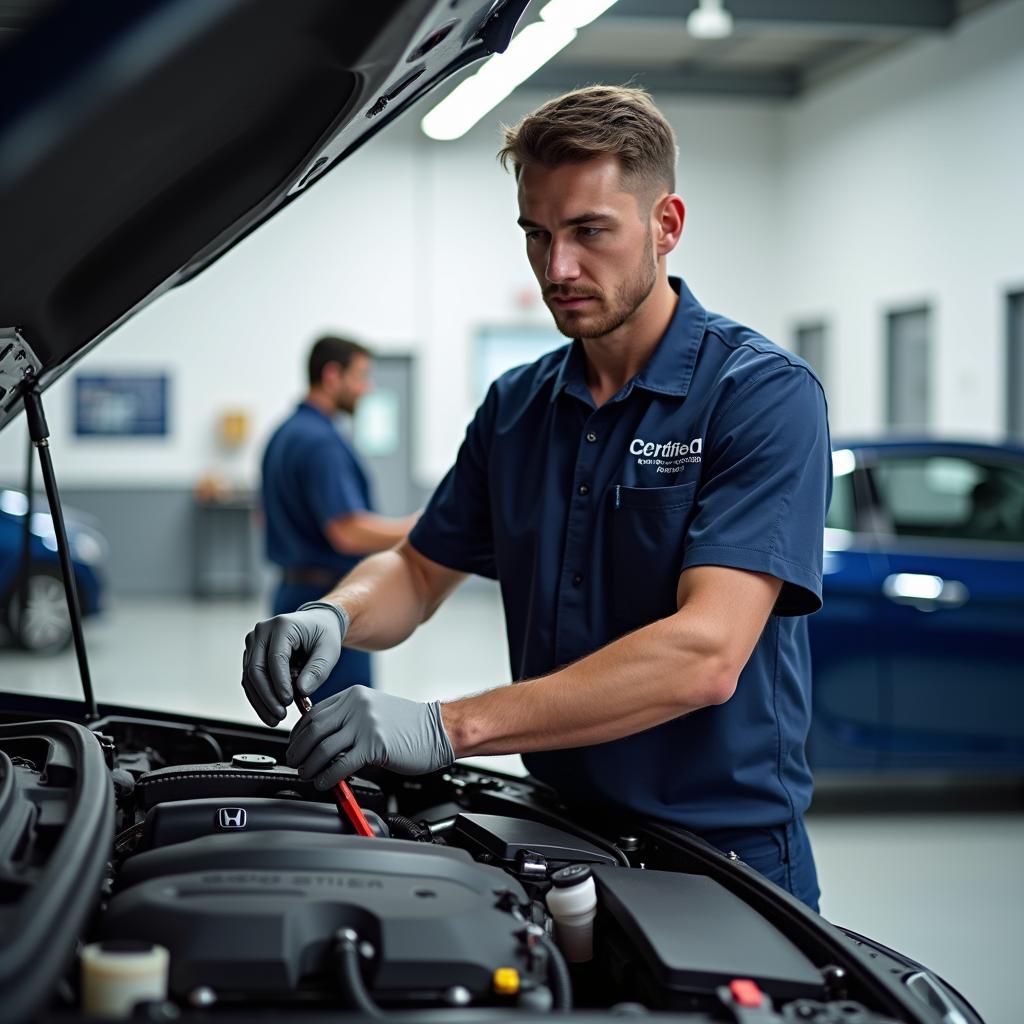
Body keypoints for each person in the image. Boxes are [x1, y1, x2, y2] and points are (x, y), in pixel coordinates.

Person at [241, 87, 831, 911]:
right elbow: (417, 569)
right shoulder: (516, 409)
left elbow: (706, 654)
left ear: (666, 225)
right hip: (560, 838)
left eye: (591, 231)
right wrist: (333, 615)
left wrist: (451, 726)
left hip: (723, 857)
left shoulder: (759, 396)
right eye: (537, 235)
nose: (558, 269)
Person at [259, 335, 416, 700]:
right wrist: (417, 528)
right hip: (328, 599)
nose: (367, 387)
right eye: (361, 376)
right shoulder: (322, 442)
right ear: (332, 375)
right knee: (343, 722)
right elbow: (347, 531)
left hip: (291, 594)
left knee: (314, 720)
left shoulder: (285, 433)